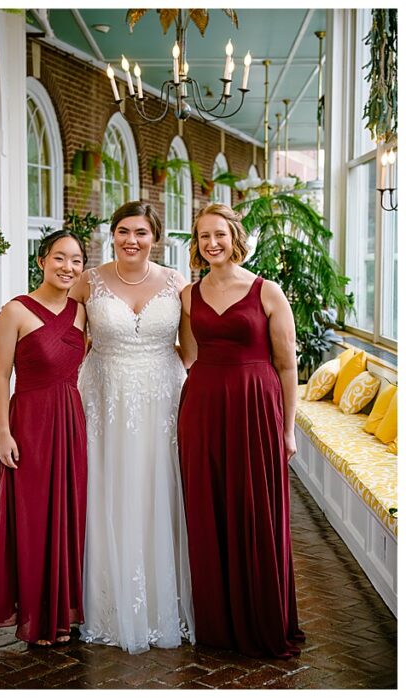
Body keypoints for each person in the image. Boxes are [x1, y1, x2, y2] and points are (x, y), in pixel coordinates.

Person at [177, 203, 305, 658]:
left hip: (255, 407)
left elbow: (288, 366)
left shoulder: (268, 292)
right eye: (203, 236)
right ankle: (218, 623)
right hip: (203, 409)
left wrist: (287, 431)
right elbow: (188, 355)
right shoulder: (188, 296)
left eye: (219, 234)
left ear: (234, 236)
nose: (212, 243)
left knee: (254, 508)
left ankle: (260, 618)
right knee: (208, 509)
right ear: (196, 243)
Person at [69, 201, 195, 654]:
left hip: (163, 398)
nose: (131, 240)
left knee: (159, 489)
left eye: (140, 232)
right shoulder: (90, 281)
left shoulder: (178, 283)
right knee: (108, 489)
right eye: (123, 231)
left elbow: (192, 348)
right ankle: (105, 603)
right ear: (112, 233)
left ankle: (165, 602)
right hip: (103, 396)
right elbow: (68, 339)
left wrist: (170, 384)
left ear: (154, 236)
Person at [0, 231, 88, 646]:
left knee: (69, 515)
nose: (68, 267)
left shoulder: (84, 312)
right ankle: (34, 616)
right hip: (29, 423)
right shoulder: (15, 310)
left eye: (77, 261)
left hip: (72, 422)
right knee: (32, 519)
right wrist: (3, 433)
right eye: (59, 258)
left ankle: (63, 614)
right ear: (41, 261)